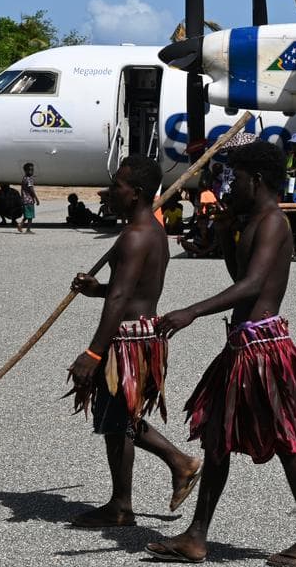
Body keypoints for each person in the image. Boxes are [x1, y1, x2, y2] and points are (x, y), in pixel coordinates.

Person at [147, 140, 296, 565]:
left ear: (256, 179)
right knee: (217, 438)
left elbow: (253, 286)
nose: (229, 185)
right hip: (242, 346)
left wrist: (192, 311)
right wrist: (223, 233)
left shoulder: (273, 222)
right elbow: (243, 276)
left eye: (235, 178)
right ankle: (196, 536)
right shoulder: (253, 221)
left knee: (287, 442)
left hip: (264, 350)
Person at [63, 155, 203, 528]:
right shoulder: (150, 231)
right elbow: (130, 290)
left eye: (117, 187)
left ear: (136, 193)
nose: (108, 192)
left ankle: (180, 462)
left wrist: (93, 352)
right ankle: (121, 504)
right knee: (116, 421)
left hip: (126, 341)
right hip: (142, 333)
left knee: (119, 419)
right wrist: (97, 290)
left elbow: (121, 299)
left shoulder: (135, 236)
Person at [19, 162, 39, 234]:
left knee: (27, 215)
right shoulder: (29, 179)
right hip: (29, 200)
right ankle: (28, 229)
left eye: (32, 170)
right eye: (30, 170)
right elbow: (31, 190)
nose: (31, 171)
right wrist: (36, 199)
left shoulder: (24, 178)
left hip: (24, 200)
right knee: (30, 216)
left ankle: (20, 224)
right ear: (25, 171)